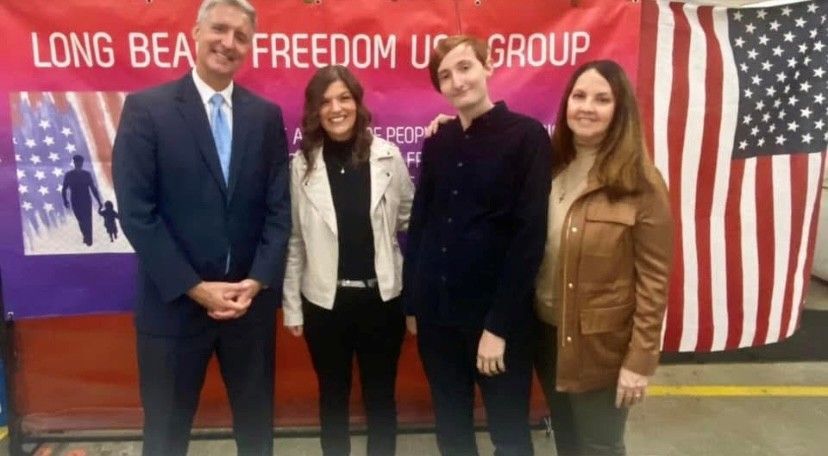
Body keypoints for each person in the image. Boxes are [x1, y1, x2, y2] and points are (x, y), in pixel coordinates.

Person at [112, 0, 291, 454]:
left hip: (247, 309)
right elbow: (137, 212)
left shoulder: (265, 117)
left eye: (241, 36)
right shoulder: (146, 110)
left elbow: (278, 208)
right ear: (195, 32)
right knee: (166, 437)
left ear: (250, 47)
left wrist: (257, 281)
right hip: (173, 308)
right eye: (220, 29)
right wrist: (195, 287)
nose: (229, 43)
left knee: (257, 435)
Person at [403, 35, 552, 456]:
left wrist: (498, 328)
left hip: (496, 321)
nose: (457, 81)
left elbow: (529, 238)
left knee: (509, 436)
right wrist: (413, 303)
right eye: (445, 76)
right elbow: (421, 222)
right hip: (438, 318)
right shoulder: (439, 141)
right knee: (452, 431)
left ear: (488, 65)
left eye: (464, 67)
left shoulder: (527, 137)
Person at [533, 60, 673, 456]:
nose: (587, 107)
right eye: (579, 96)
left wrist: (640, 361)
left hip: (602, 347)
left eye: (602, 98)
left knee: (600, 447)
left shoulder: (642, 183)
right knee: (567, 440)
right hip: (546, 335)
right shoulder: (552, 166)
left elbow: (655, 281)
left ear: (620, 109)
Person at [282, 65, 414, 456]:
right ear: (315, 111)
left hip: (383, 302)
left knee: (381, 400)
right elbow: (294, 240)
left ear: (357, 103)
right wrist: (292, 307)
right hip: (325, 305)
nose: (336, 108)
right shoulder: (302, 166)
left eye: (344, 98)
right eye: (326, 101)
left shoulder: (388, 156)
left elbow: (411, 218)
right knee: (332, 400)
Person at [61, 154, 102, 246]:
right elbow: (64, 189)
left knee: (88, 220)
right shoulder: (69, 175)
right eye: (77, 162)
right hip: (75, 200)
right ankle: (86, 236)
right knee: (81, 220)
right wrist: (65, 200)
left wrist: (99, 201)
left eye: (80, 162)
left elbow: (93, 188)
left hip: (86, 200)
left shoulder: (86, 174)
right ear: (74, 163)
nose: (78, 164)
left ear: (82, 163)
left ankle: (89, 239)